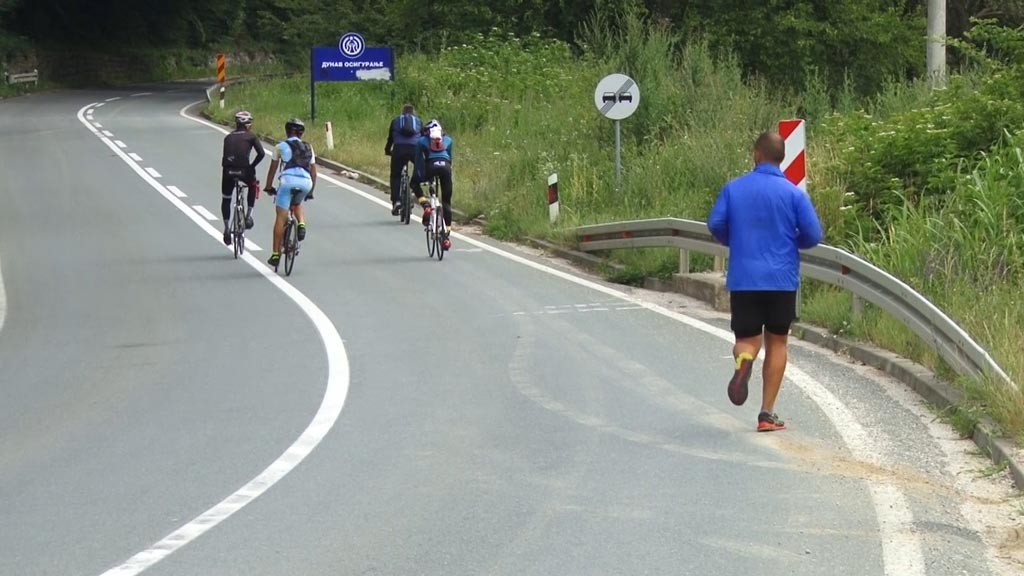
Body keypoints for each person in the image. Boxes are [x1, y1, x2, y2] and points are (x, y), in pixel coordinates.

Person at [707, 131, 823, 432]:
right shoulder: (794, 194)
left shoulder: (734, 188)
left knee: (746, 339)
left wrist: (734, 239)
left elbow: (715, 222)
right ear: (781, 158)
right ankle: (766, 414)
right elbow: (813, 235)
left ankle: (745, 359)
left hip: (744, 277)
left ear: (757, 154)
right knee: (777, 341)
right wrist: (793, 242)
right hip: (781, 279)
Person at [263, 118, 317, 268]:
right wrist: (310, 191)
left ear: (287, 131)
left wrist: (268, 186)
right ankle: (301, 224)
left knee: (280, 217)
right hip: (306, 182)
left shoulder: (280, 147)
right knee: (297, 203)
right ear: (301, 133)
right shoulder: (309, 147)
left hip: (287, 182)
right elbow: (314, 172)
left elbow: (273, 169)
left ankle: (275, 254)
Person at [220, 110, 265, 245]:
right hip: (244, 171)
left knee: (226, 198)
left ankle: (226, 228)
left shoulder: (228, 137)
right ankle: (248, 216)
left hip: (228, 171)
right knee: (252, 185)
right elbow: (261, 154)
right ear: (247, 125)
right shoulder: (251, 136)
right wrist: (252, 166)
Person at [411, 119, 454, 251]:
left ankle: (426, 205)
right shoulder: (449, 140)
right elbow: (450, 158)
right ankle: (446, 236)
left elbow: (419, 161)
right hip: (446, 168)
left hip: (430, 167)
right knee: (446, 202)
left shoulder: (421, 141)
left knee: (414, 183)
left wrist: (418, 176)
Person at [384, 104, 422, 215]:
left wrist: (387, 150)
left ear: (402, 112)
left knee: (395, 176)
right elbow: (422, 138)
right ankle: (413, 191)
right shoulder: (419, 121)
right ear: (413, 112)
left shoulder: (396, 121)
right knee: (419, 170)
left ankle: (396, 201)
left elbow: (390, 138)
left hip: (399, 149)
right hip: (414, 149)